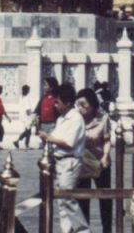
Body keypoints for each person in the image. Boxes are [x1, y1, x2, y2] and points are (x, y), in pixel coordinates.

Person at [39, 82, 89, 233]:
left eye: (58, 102)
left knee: (67, 200)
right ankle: (66, 230)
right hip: (59, 162)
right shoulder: (62, 119)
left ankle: (83, 231)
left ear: (67, 102)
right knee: (62, 201)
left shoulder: (75, 119)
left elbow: (68, 143)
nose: (55, 105)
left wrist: (48, 137)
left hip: (70, 161)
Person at [76, 87, 111, 233]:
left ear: (93, 104)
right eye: (79, 104)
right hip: (82, 162)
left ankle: (107, 229)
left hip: (100, 161)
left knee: (105, 198)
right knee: (83, 198)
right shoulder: (76, 119)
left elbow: (107, 140)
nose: (81, 108)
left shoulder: (103, 118)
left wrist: (105, 156)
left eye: (84, 105)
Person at [13, 84, 34, 150]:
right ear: (27, 90)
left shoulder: (21, 98)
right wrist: (31, 117)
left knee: (27, 130)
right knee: (28, 131)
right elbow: (28, 110)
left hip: (22, 116)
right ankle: (19, 141)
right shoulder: (26, 98)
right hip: (27, 116)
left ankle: (24, 143)